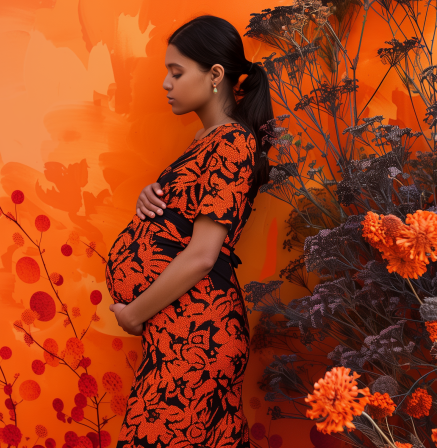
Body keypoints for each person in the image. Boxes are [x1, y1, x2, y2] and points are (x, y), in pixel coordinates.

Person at [104, 14, 273, 448]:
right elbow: (181, 218)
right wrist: (151, 198)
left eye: (176, 72)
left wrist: (134, 312)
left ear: (215, 75)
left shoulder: (232, 142)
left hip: (197, 336)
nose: (165, 83)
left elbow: (202, 254)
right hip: (180, 334)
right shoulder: (207, 140)